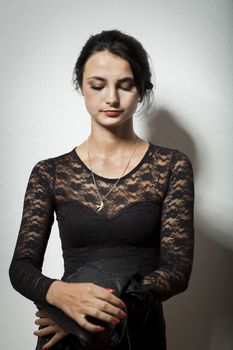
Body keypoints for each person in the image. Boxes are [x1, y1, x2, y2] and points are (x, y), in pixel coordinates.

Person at [9, 29, 194, 350]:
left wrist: (92, 314)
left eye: (125, 85)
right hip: (66, 334)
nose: (111, 98)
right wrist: (61, 297)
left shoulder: (171, 165)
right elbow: (21, 267)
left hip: (135, 333)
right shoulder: (49, 172)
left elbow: (176, 271)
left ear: (141, 90)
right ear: (81, 85)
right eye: (98, 85)